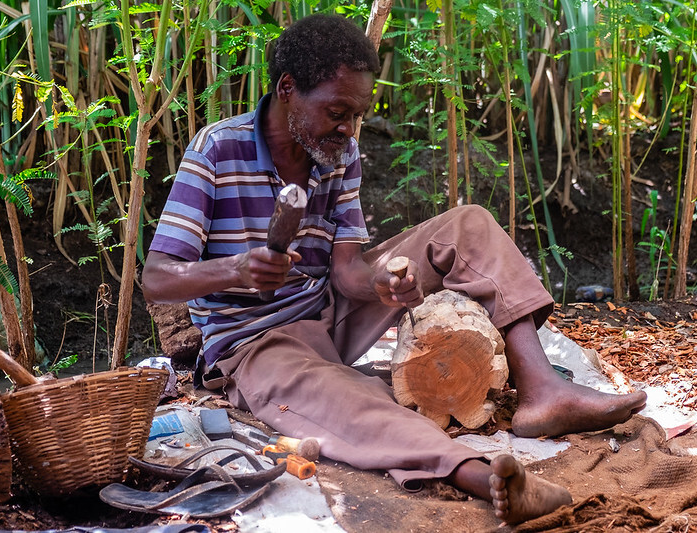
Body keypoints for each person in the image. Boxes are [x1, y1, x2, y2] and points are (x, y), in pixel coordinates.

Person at [141, 14, 647, 524]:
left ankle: (543, 391)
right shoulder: (215, 150)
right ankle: (479, 474)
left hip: (328, 314)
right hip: (254, 343)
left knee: (467, 225)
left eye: (357, 114)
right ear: (287, 89)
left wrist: (380, 280)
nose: (349, 128)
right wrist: (237, 270)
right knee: (345, 399)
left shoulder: (339, 152)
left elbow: (345, 274)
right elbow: (157, 277)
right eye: (337, 111)